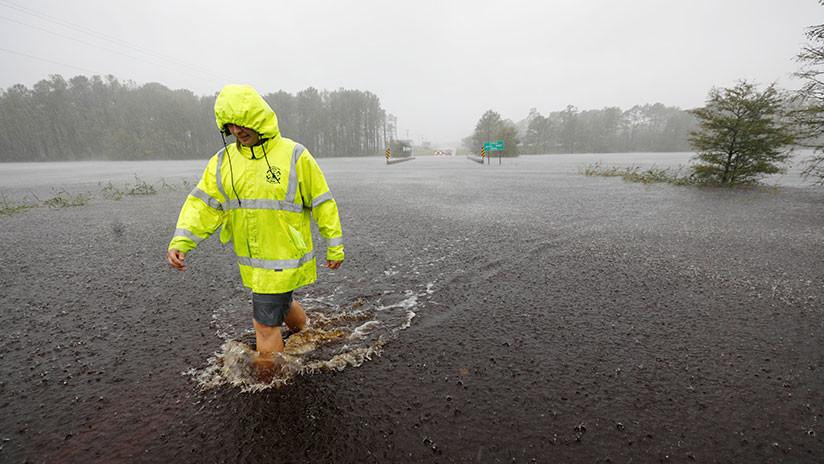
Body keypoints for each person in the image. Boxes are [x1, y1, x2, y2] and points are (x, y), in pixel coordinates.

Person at [165, 84, 344, 372]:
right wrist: (181, 241)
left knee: (263, 324)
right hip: (256, 264)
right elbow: (204, 205)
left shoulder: (294, 155)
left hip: (284, 257)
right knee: (282, 305)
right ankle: (307, 333)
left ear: (258, 117)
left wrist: (334, 245)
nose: (237, 130)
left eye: (242, 122)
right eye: (230, 125)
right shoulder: (224, 162)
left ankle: (271, 383)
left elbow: (323, 202)